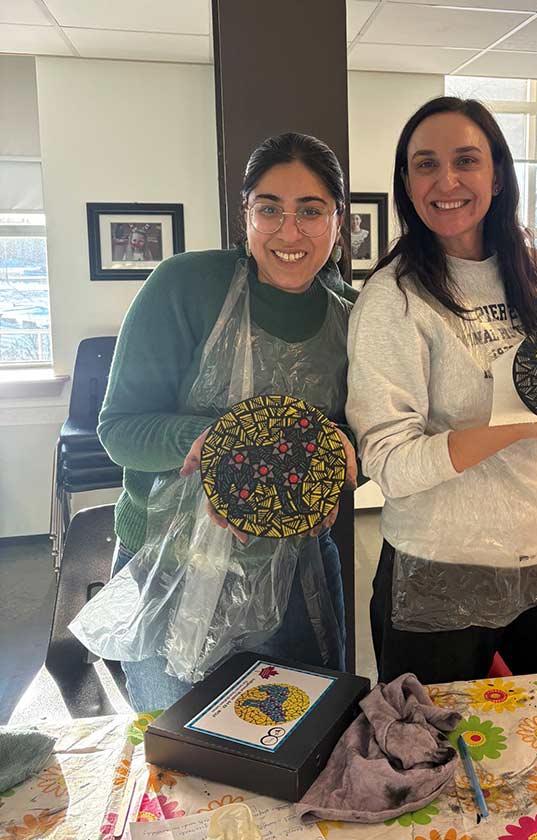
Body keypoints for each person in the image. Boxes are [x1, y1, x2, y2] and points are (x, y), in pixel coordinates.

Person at [347, 97, 537, 685]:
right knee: (439, 762)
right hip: (439, 570)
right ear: (407, 182)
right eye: (425, 164)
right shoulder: (392, 298)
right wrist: (519, 425)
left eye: (465, 160)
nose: (446, 180)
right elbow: (390, 463)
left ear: (497, 175)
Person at [94, 132, 358, 711]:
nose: (290, 232)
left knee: (297, 747)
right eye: (269, 209)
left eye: (311, 211)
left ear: (340, 221)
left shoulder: (354, 320)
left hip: (295, 573)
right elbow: (119, 429)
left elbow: (361, 441)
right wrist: (219, 448)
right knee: (181, 759)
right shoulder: (186, 286)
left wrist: (342, 458)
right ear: (246, 216)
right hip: (171, 565)